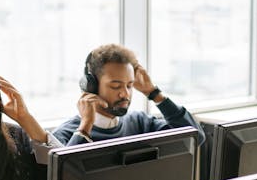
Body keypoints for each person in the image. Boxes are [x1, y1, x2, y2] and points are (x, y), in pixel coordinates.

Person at [52, 44, 205, 146]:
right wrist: (85, 126)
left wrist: (154, 93)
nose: (125, 93)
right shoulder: (65, 134)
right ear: (92, 86)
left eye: (130, 85)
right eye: (116, 86)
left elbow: (195, 139)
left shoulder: (140, 123)